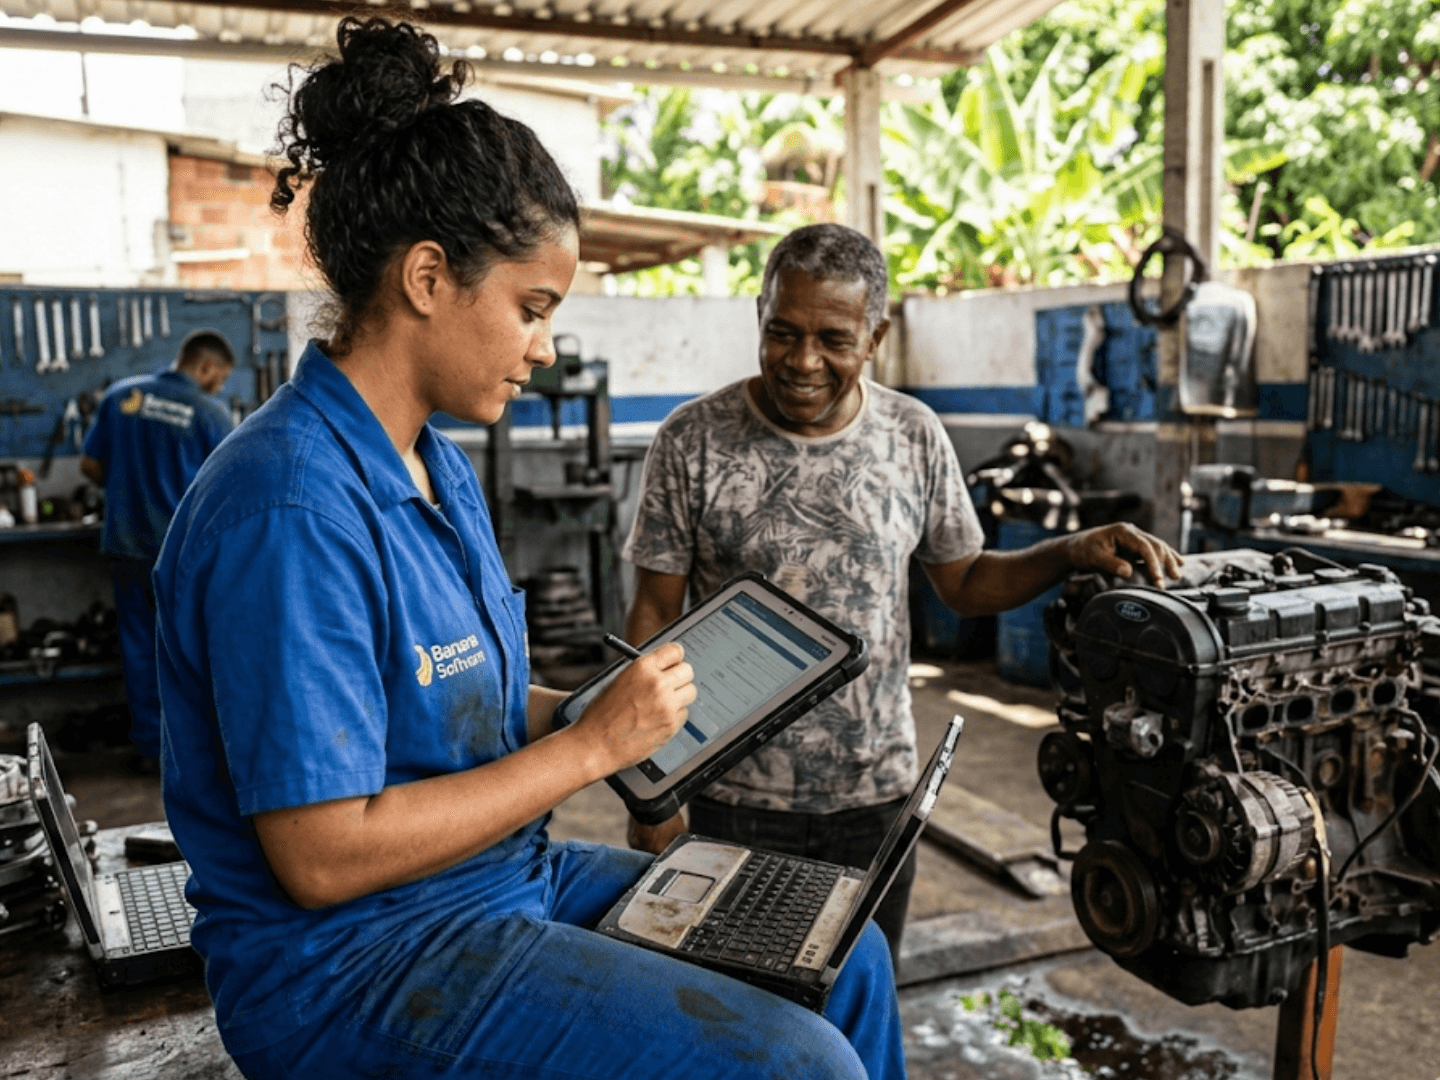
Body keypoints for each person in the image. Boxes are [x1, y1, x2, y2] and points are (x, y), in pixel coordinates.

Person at [153, 20, 905, 1080]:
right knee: (800, 1065)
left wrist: (605, 709)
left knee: (848, 953)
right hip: (355, 964)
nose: (545, 348)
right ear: (426, 279)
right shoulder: (289, 510)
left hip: (497, 880)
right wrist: (590, 752)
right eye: (532, 308)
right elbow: (321, 858)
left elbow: (458, 710)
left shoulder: (431, 464)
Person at [623, 222, 1183, 962]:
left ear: (875, 334)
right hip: (731, 799)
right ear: (757, 313)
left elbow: (966, 582)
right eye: (782, 332)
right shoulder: (691, 439)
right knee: (739, 1025)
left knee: (860, 1004)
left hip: (875, 797)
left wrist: (1068, 552)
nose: (803, 361)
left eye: (833, 340)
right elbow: (655, 616)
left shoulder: (913, 436)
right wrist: (650, 786)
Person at [79, 328, 235, 764]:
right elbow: (230, 486)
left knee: (139, 646)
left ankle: (150, 747)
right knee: (190, 649)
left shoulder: (121, 397)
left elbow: (91, 466)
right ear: (206, 367)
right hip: (184, 552)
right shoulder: (211, 413)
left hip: (128, 546)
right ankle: (189, 755)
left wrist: (132, 483)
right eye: (220, 376)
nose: (219, 386)